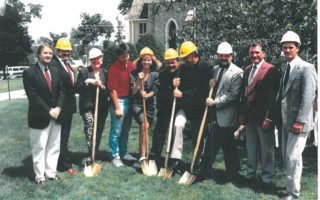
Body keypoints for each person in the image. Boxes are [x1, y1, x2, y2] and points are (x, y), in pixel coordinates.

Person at [277, 31, 317, 200]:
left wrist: (300, 121)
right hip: (286, 120)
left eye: (290, 48)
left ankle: (293, 194)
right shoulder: (286, 67)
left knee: (294, 157)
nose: (287, 50)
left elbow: (309, 97)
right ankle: (290, 187)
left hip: (298, 122)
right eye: (285, 47)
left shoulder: (306, 68)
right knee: (287, 156)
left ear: (297, 48)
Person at [199, 42, 243, 181]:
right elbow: (214, 90)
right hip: (214, 115)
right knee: (214, 142)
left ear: (231, 55)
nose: (224, 58)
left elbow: (232, 95)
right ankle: (206, 169)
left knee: (227, 145)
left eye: (226, 56)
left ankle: (232, 173)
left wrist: (215, 102)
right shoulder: (216, 69)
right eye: (221, 56)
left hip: (227, 115)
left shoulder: (237, 72)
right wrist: (210, 84)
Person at [239, 43, 280, 189]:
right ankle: (250, 174)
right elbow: (245, 93)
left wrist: (269, 118)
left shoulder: (271, 70)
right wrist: (242, 113)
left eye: (257, 52)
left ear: (263, 53)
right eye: (251, 53)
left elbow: (272, 97)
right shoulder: (247, 69)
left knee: (266, 150)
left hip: (264, 118)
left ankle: (266, 178)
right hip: (250, 118)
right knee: (251, 148)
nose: (254, 55)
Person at [23, 44, 65, 185]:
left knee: (54, 146)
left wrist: (58, 108)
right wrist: (49, 110)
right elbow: (33, 96)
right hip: (39, 117)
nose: (48, 55)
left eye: (50, 53)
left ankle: (51, 173)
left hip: (56, 115)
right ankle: (40, 177)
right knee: (39, 147)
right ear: (39, 55)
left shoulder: (55, 70)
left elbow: (61, 91)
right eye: (45, 53)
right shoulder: (29, 73)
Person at [169, 41, 212, 172]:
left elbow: (202, 90)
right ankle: (175, 159)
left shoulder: (206, 68)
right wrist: (174, 82)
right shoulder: (182, 68)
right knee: (178, 124)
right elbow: (175, 83)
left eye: (186, 57)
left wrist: (182, 94)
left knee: (198, 134)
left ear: (193, 54)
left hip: (199, 108)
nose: (184, 60)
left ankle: (197, 161)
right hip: (185, 107)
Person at [75, 48, 109, 165]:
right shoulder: (84, 72)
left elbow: (108, 90)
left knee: (98, 131)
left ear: (101, 59)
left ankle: (94, 153)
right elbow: (77, 88)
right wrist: (89, 81)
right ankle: (90, 155)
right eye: (93, 59)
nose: (96, 61)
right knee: (90, 126)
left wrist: (102, 87)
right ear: (90, 60)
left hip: (101, 108)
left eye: (98, 59)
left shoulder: (105, 73)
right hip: (87, 107)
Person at [51, 37, 77, 175]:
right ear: (58, 51)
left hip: (68, 107)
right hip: (60, 108)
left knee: (64, 136)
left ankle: (60, 162)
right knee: (60, 137)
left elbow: (71, 86)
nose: (67, 53)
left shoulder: (67, 65)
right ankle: (65, 165)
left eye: (68, 51)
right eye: (64, 51)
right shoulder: (54, 65)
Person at [108, 43, 137, 167]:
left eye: (127, 56)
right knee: (116, 130)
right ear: (117, 57)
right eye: (122, 57)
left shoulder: (130, 66)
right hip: (118, 101)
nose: (125, 59)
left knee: (126, 129)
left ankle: (124, 152)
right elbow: (112, 90)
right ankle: (115, 155)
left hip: (129, 100)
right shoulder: (113, 70)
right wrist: (117, 108)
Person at [151, 48, 180, 163]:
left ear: (177, 62)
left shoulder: (182, 73)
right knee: (159, 132)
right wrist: (170, 86)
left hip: (177, 108)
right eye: (168, 63)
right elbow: (161, 91)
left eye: (173, 62)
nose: (171, 65)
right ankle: (155, 155)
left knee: (174, 132)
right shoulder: (162, 75)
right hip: (164, 107)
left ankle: (173, 158)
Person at [130, 47, 159, 162]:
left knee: (145, 128)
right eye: (144, 60)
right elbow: (133, 91)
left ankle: (144, 152)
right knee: (144, 125)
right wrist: (137, 81)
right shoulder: (134, 73)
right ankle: (142, 156)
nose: (146, 62)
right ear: (140, 60)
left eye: (149, 60)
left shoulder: (155, 74)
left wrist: (147, 95)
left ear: (152, 61)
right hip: (137, 105)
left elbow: (155, 90)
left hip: (150, 106)